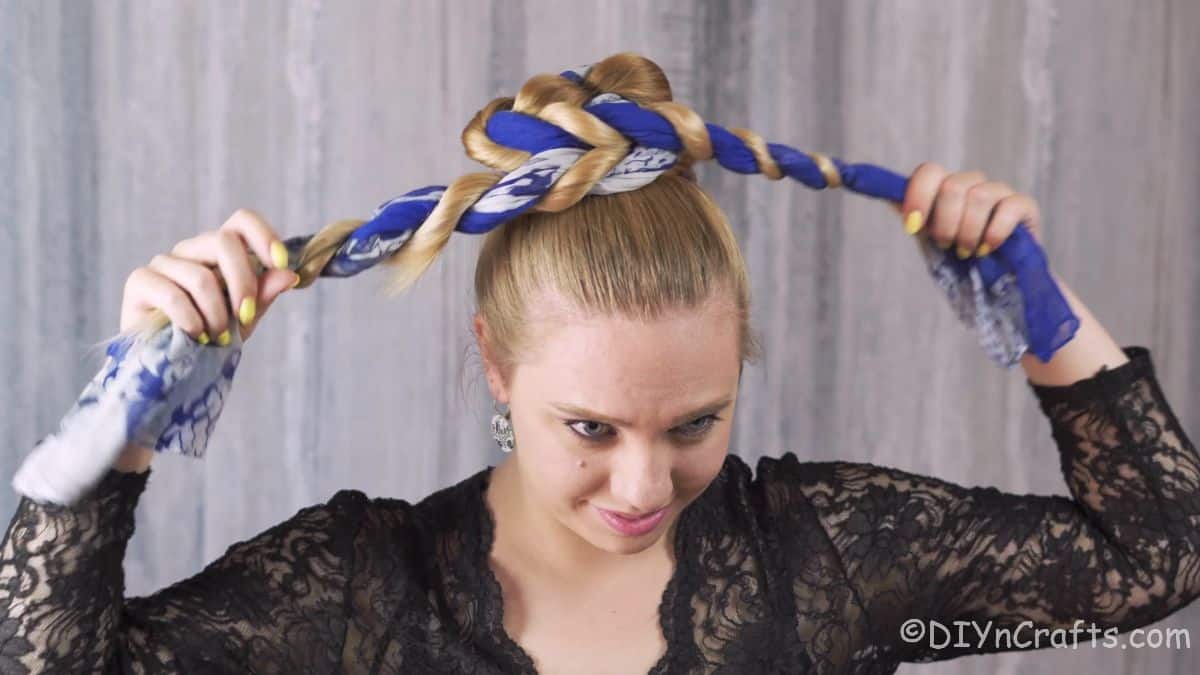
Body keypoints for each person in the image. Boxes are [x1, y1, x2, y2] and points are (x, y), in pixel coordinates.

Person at [2, 56, 1198, 675]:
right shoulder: (365, 588)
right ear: (495, 366)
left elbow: (1161, 555)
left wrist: (1026, 293)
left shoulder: (825, 552)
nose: (642, 486)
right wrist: (124, 419)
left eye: (693, 424)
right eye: (591, 428)